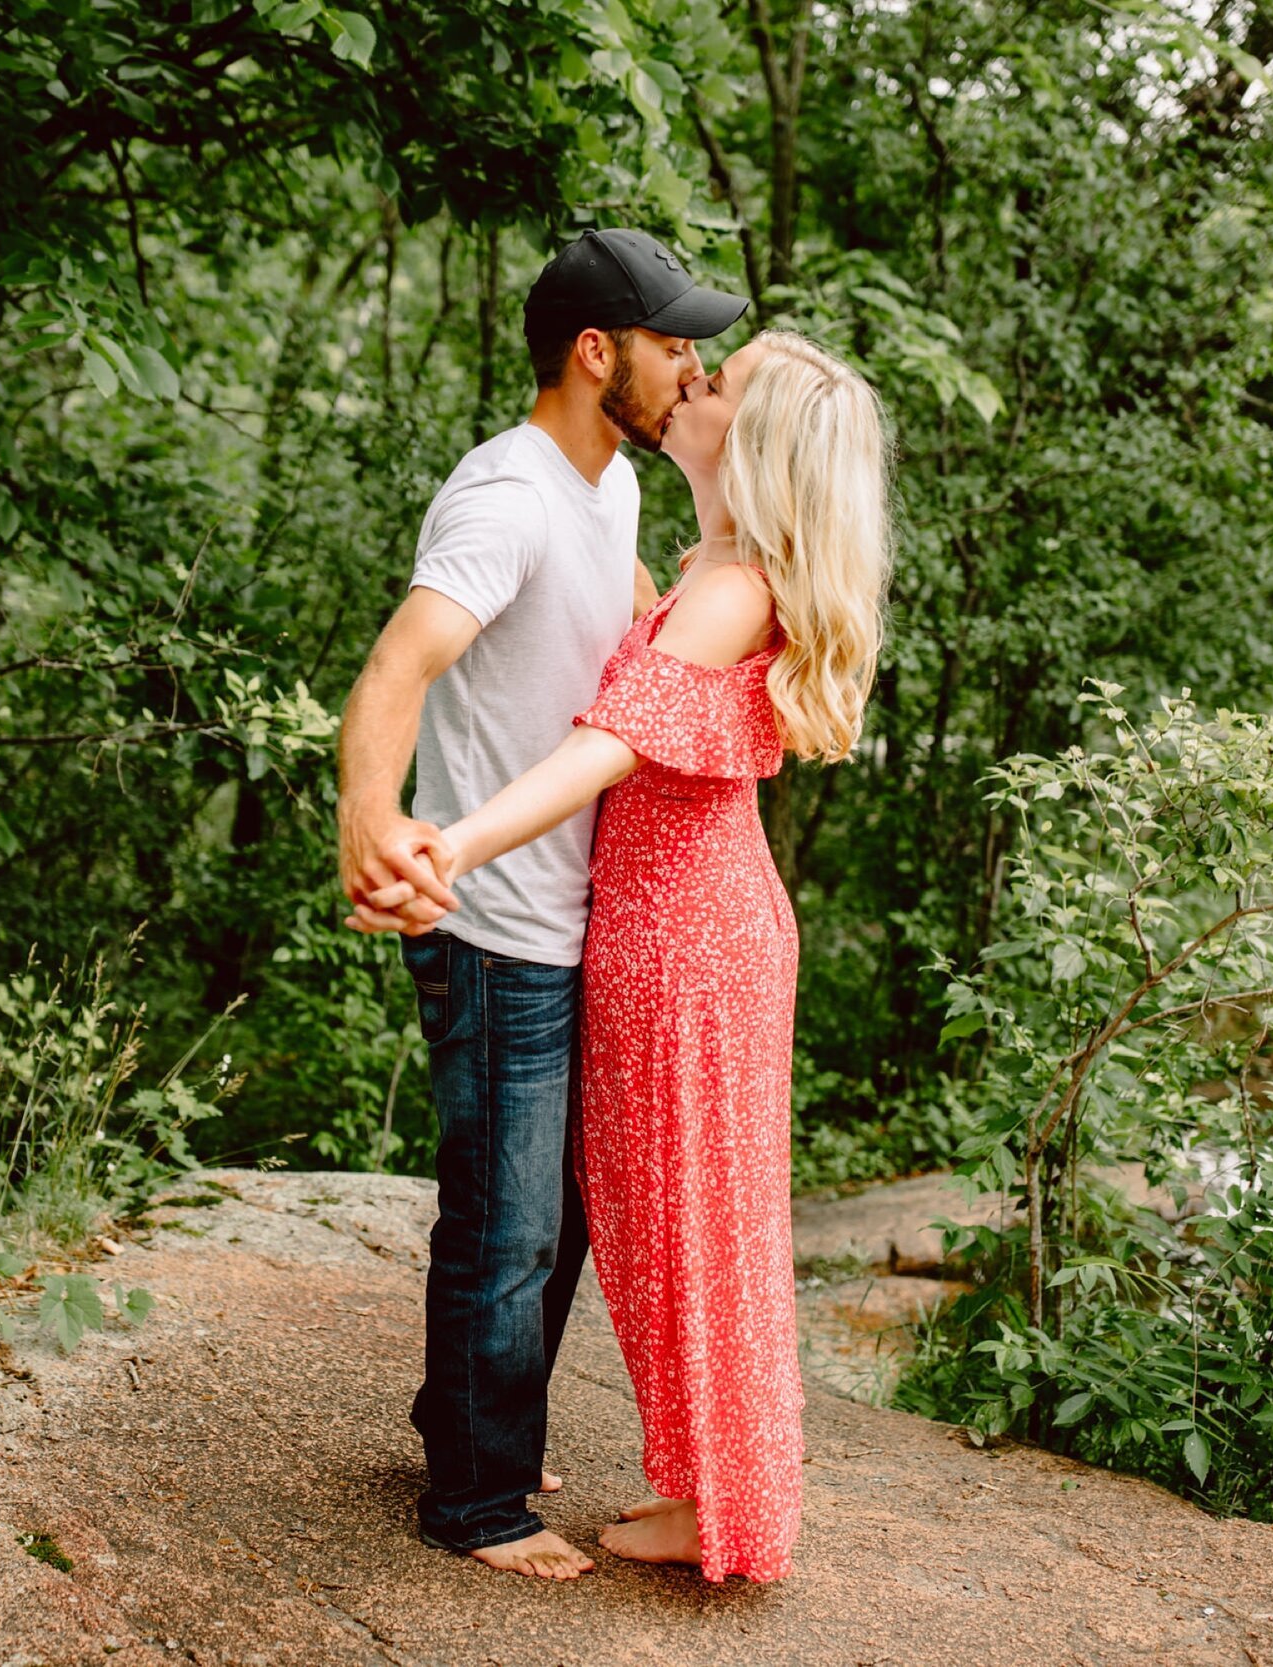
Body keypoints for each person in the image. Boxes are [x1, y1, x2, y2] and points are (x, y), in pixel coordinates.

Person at [359, 330, 895, 1582]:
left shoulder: (731, 587)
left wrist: (448, 842)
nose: (692, 382)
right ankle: (701, 1481)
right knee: (659, 1222)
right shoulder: (704, 562)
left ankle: (723, 1505)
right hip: (669, 927)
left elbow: (605, 748)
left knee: (696, 1229)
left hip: (691, 938)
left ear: (753, 440)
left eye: (721, 383)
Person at [334, 228, 748, 1580]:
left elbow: (615, 625)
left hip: (576, 917)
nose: (689, 364)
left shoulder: (609, 483)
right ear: (594, 350)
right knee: (507, 1225)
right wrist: (373, 822)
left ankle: (472, 1421)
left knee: (552, 1217)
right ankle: (477, 1500)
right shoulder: (507, 494)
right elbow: (399, 666)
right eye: (670, 340)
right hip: (496, 924)